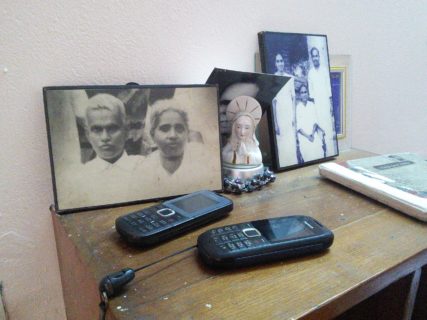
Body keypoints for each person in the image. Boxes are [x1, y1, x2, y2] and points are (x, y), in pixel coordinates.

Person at [73, 93, 144, 206]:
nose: (105, 137)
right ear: (88, 134)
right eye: (97, 130)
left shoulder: (145, 167)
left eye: (112, 128)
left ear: (126, 131)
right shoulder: (80, 177)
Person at [130, 106, 214, 199]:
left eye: (179, 128)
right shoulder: (144, 168)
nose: (173, 135)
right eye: (165, 129)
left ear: (187, 132)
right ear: (153, 134)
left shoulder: (202, 162)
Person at [307, 47, 337, 156]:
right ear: (311, 58)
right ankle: (322, 155)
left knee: (328, 129)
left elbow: (329, 90)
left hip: (325, 105)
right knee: (320, 131)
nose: (315, 58)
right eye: (313, 56)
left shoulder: (324, 70)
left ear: (319, 56)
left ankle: (330, 154)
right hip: (317, 107)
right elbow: (311, 95)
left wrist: (330, 106)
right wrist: (314, 110)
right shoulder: (310, 73)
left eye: (316, 55)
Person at [222, 96, 262, 166]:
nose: (242, 132)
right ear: (234, 128)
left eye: (247, 128)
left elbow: (259, 158)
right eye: (238, 127)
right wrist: (235, 154)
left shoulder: (252, 143)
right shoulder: (232, 142)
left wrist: (247, 154)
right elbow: (223, 155)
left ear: (252, 129)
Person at [295, 85, 325, 163]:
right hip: (304, 136)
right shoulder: (297, 108)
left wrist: (312, 134)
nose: (304, 94)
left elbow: (315, 122)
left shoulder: (312, 105)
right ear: (299, 95)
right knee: (308, 156)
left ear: (308, 93)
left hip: (313, 134)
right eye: (302, 93)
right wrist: (308, 136)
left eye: (305, 92)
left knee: (319, 153)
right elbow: (298, 127)